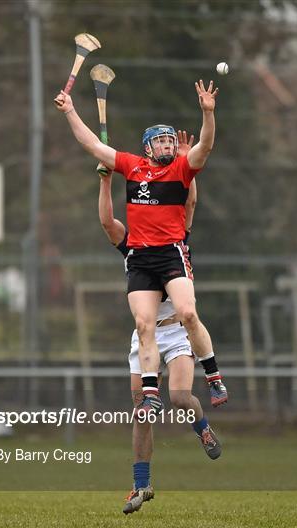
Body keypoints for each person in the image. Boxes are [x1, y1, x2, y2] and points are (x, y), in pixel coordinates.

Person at [54, 79, 227, 418]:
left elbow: (204, 146)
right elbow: (92, 145)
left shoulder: (181, 168)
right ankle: (150, 392)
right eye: (160, 142)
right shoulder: (132, 167)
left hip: (171, 253)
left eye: (168, 141)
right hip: (140, 258)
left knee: (188, 313)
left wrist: (208, 114)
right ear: (148, 148)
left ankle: (214, 375)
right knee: (143, 324)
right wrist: (71, 110)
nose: (166, 146)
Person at [96, 137, 222, 514]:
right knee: (142, 411)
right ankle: (140, 486)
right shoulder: (131, 246)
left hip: (176, 333)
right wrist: (105, 181)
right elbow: (106, 221)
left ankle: (202, 427)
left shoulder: (175, 236)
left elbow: (189, 200)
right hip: (146, 337)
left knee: (181, 398)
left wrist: (185, 163)